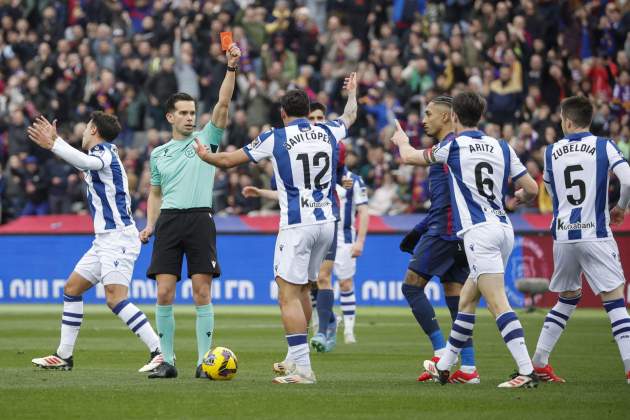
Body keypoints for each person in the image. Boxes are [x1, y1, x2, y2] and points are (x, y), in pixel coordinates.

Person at [193, 80, 357, 384]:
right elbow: (350, 116)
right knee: (304, 289)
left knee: (286, 294)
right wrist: (353, 93)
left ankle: (304, 369)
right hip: (327, 223)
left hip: (297, 225)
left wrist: (206, 156)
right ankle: (296, 358)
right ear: (308, 112)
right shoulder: (328, 130)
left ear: (282, 113)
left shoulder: (275, 137)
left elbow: (229, 160)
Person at [391, 91, 540, 388]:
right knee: (467, 300)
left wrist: (401, 141)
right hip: (504, 228)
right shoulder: (502, 146)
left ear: (454, 116)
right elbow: (532, 189)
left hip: (478, 233)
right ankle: (450, 366)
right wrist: (515, 200)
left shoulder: (452, 146)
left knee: (498, 304)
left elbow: (409, 157)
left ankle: (526, 370)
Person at [27, 113, 162, 373]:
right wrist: (57, 141)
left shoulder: (105, 153)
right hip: (104, 240)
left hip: (118, 238)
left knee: (115, 298)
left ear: (94, 130)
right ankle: (64, 356)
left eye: (87, 127)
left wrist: (55, 144)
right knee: (72, 288)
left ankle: (160, 351)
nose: (84, 131)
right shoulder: (100, 155)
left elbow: (85, 161)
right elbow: (82, 161)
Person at [138, 44, 241, 379]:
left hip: (199, 218)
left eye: (192, 112)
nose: (190, 117)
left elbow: (223, 104)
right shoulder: (159, 154)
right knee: (164, 292)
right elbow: (155, 193)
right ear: (170, 117)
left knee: (201, 291)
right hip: (168, 221)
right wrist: (150, 224)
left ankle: (203, 362)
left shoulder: (206, 139)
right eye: (183, 113)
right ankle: (166, 360)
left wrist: (231, 69)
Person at [530, 96, 630, 384]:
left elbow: (548, 186)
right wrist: (620, 207)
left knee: (568, 296)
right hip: (595, 232)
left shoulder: (551, 151)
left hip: (563, 235)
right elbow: (627, 179)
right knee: (613, 299)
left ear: (568, 121)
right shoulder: (603, 146)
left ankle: (539, 362)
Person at [398, 96, 478, 384]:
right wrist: (418, 231)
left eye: (429, 114)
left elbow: (441, 205)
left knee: (411, 286)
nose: (424, 119)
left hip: (443, 232)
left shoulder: (447, 150)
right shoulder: (464, 150)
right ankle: (468, 369)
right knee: (457, 299)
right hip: (461, 233)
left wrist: (400, 140)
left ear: (447, 117)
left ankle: (440, 352)